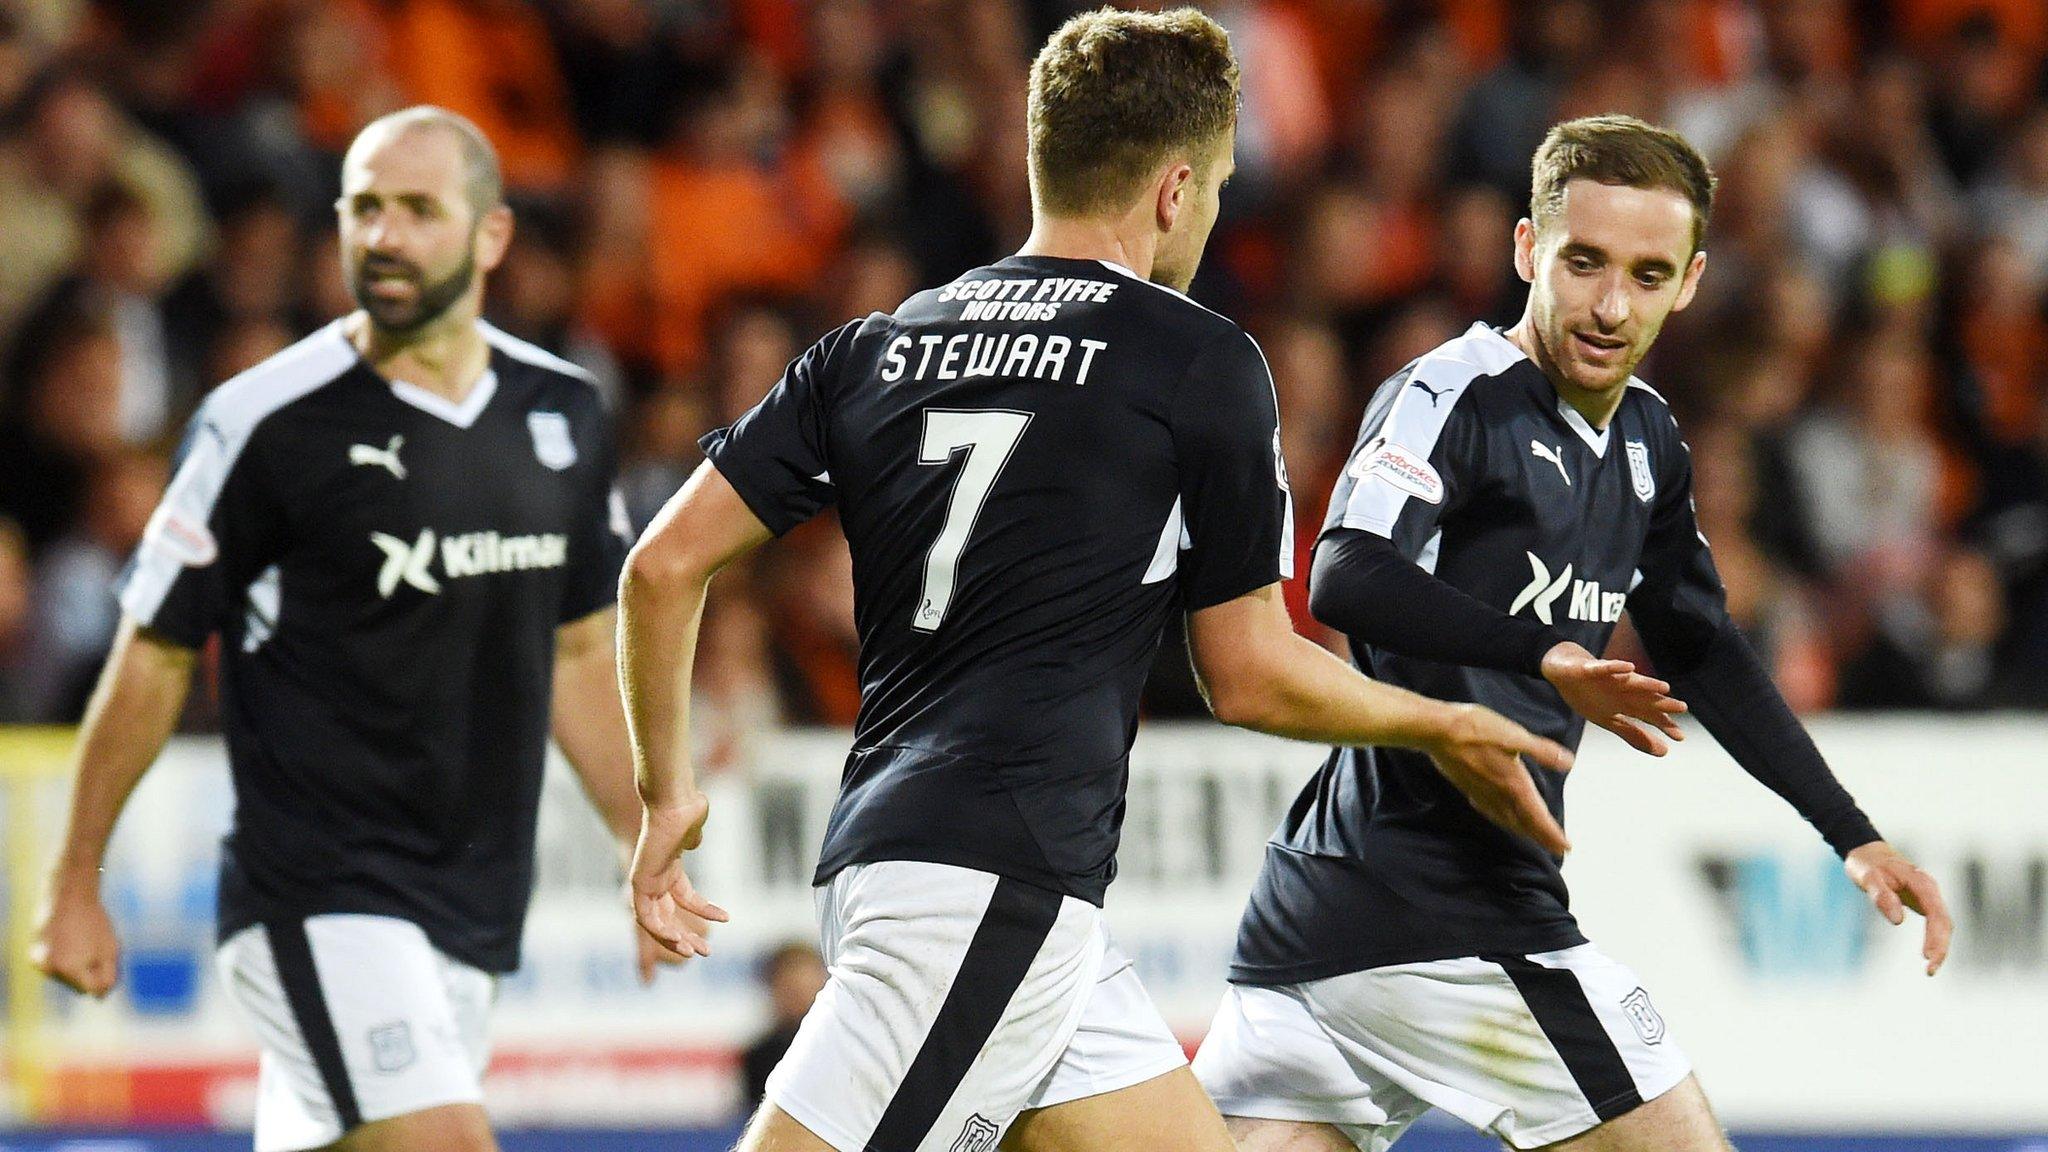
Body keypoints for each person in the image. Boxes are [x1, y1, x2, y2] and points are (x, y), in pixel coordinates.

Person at [619, 10, 1574, 1152]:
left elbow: (661, 566)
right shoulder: (1195, 359)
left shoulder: (877, 345)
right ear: (1174, 189)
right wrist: (1440, 725)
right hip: (988, 883)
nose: (1213, 213)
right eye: (1216, 185)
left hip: (944, 870)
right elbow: (1252, 677)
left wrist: (662, 797)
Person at [1192, 115, 1955, 1152]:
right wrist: (1537, 653)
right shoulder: (1451, 395)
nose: (1608, 305)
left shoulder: (1645, 439)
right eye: (1582, 262)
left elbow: (1699, 644)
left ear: (1686, 284)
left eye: (1645, 276)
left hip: (1319, 931)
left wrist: (1848, 832)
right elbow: (1344, 573)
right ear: (1524, 251)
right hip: (1449, 913)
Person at [29, 106, 665, 1152]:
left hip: (472, 906)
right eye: (364, 209)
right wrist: (74, 881)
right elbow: (154, 650)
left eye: (419, 210)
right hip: (315, 893)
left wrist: (642, 840)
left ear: (490, 235)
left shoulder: (563, 415)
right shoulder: (264, 419)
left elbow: (581, 652)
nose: (385, 236)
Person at [741, 942, 831, 1111]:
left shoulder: (843, 1045)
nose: (799, 997)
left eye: (805, 988)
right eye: (790, 989)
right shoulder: (760, 1055)